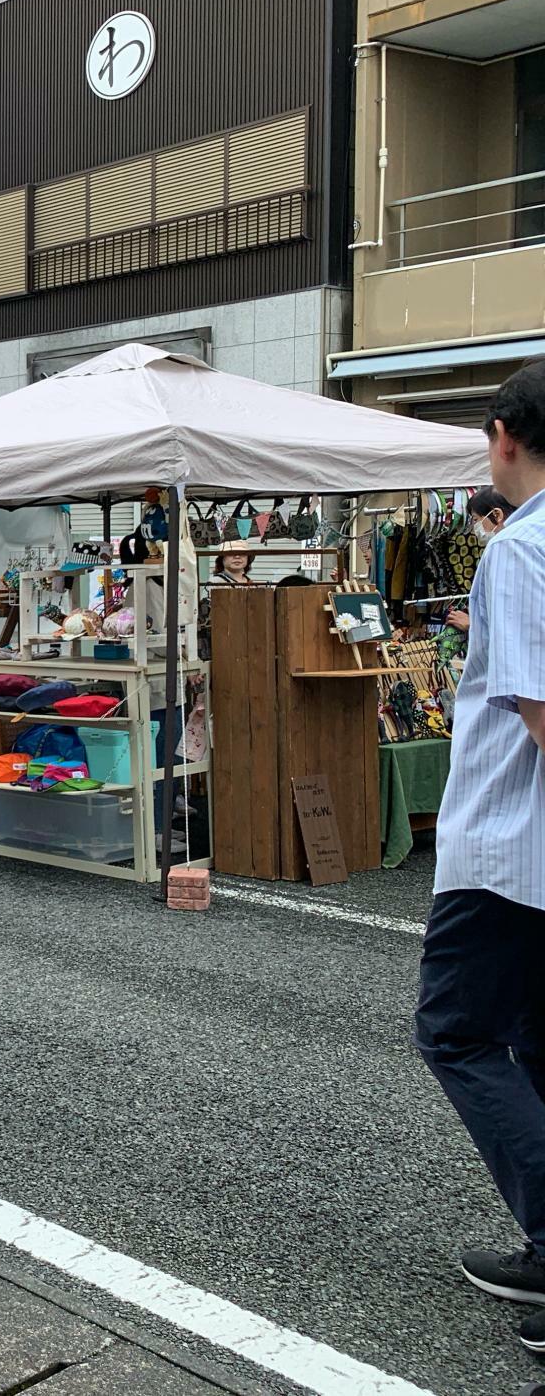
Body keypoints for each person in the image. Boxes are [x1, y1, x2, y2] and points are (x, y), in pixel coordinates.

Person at [414, 362, 545, 1360]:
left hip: (507, 846)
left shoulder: (520, 546)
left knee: (455, 1032)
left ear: (500, 434)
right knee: (534, 1043)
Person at [443, 490, 510, 635]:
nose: (474, 528)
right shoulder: (501, 552)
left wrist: (472, 625)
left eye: (475, 519)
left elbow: (511, 617)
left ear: (497, 515)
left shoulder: (509, 555)